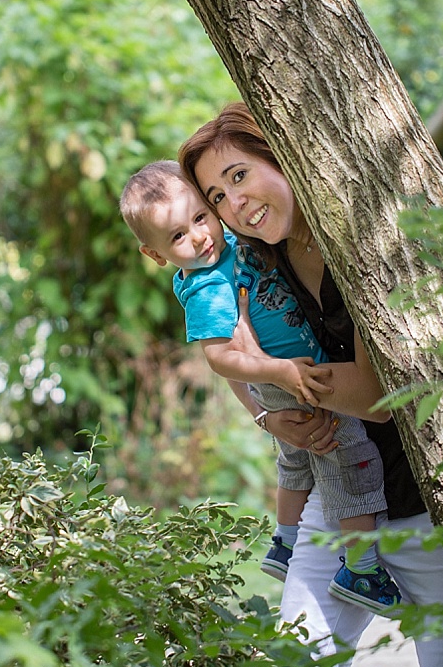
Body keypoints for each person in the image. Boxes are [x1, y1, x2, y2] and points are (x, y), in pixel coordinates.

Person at [178, 103, 443, 667]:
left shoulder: (360, 242)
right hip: (338, 491)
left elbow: (377, 393)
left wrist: (282, 380)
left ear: (280, 154)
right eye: (215, 196)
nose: (232, 203)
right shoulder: (256, 257)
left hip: (427, 497)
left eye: (239, 175)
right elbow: (225, 352)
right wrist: (271, 414)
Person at [118, 159, 402, 611]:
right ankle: (362, 569)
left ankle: (285, 544)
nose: (198, 235)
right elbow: (219, 358)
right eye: (177, 236)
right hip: (286, 378)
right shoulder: (206, 286)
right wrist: (277, 372)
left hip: (287, 375)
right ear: (155, 254)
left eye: (200, 216)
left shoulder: (233, 243)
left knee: (297, 462)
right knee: (348, 456)